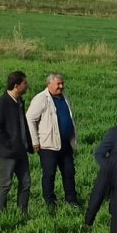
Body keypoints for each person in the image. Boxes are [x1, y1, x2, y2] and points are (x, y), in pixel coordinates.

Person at [26, 73, 79, 210]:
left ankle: (71, 200)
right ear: (49, 84)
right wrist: (35, 141)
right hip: (48, 144)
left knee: (69, 172)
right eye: (58, 84)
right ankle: (50, 202)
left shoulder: (64, 98)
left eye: (62, 83)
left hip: (65, 142)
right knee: (49, 174)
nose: (61, 86)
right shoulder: (41, 99)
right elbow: (30, 119)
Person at [0, 71, 33, 214]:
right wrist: (9, 143)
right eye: (24, 83)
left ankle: (23, 213)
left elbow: (22, 125)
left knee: (26, 183)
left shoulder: (19, 102)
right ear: (16, 85)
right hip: (8, 152)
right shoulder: (3, 102)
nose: (27, 85)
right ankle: (1, 214)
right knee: (5, 184)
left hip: (21, 151)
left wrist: (28, 144)